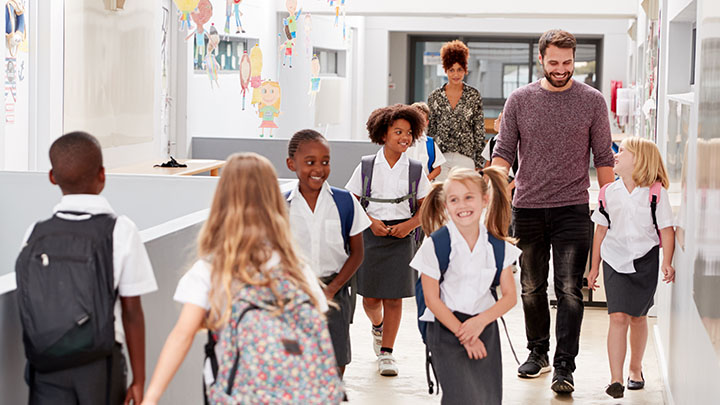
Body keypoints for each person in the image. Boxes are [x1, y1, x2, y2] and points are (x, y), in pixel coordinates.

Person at [141, 153, 340, 404]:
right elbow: (315, 331)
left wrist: (151, 396)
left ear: (223, 201)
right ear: (274, 202)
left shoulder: (212, 270)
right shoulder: (296, 269)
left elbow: (182, 336)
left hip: (237, 393)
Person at [491, 29, 615, 394]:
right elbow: (503, 155)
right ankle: (538, 352)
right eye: (554, 62)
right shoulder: (519, 100)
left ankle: (564, 367)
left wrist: (612, 208)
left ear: (574, 60)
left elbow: (604, 159)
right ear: (541, 60)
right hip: (526, 207)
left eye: (567, 62)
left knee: (569, 290)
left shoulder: (592, 101)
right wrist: (492, 194)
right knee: (531, 287)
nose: (561, 69)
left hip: (573, 208)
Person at [17, 131, 157, 405]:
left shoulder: (34, 233)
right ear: (102, 175)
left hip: (45, 363)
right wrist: (139, 380)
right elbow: (131, 312)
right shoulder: (120, 230)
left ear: (52, 177)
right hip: (99, 364)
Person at [410, 167, 520, 404]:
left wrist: (480, 323)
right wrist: (465, 335)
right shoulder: (435, 245)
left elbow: (510, 297)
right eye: (454, 200)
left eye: (469, 197)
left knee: (487, 398)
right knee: (460, 396)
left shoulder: (497, 246)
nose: (462, 205)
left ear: (485, 199)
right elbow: (432, 299)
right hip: (446, 329)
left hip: (485, 329)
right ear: (446, 205)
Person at [345, 104, 431, 376]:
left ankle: (387, 353)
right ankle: (377, 327)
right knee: (370, 298)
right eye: (398, 132)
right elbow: (352, 201)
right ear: (383, 134)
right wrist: (371, 222)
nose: (404, 137)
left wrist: (409, 225)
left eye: (408, 132)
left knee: (394, 298)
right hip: (371, 234)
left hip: (402, 237)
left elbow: (426, 206)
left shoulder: (415, 169)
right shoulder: (367, 166)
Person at [587, 137, 675, 398]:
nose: (616, 154)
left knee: (638, 318)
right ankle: (615, 379)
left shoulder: (655, 193)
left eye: (622, 151)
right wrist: (594, 267)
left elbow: (667, 231)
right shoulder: (607, 192)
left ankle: (635, 369)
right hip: (614, 260)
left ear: (639, 159)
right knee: (617, 317)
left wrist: (667, 262)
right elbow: (600, 230)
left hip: (644, 261)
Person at [285, 129, 371, 377]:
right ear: (292, 164)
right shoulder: (280, 205)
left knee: (336, 360)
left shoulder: (344, 202)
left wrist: (330, 290)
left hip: (335, 291)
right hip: (292, 293)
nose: (318, 169)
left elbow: (357, 254)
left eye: (325, 162)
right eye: (309, 162)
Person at [427, 40, 485, 181]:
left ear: (465, 69)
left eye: (459, 69)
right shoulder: (435, 96)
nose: (456, 74)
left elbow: (478, 129)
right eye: (451, 70)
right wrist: (430, 161)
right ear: (445, 70)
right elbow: (431, 131)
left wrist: (478, 162)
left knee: (463, 197)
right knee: (440, 198)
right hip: (440, 159)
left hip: (465, 157)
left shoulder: (473, 95)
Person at [405, 101, 446, 181]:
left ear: (426, 123)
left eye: (421, 120)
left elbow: (437, 168)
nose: (418, 123)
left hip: (425, 188)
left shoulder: (430, 143)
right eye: (415, 120)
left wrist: (425, 181)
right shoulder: (403, 141)